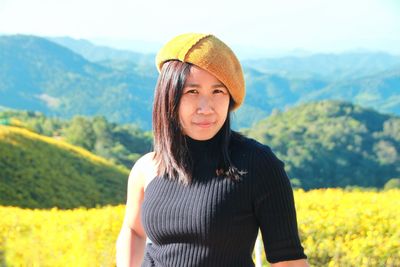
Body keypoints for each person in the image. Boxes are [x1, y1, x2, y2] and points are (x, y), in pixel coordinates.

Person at [116, 33, 308, 267]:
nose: (206, 108)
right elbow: (134, 230)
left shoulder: (258, 163)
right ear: (168, 97)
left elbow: (288, 261)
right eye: (192, 92)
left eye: (218, 92)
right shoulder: (148, 167)